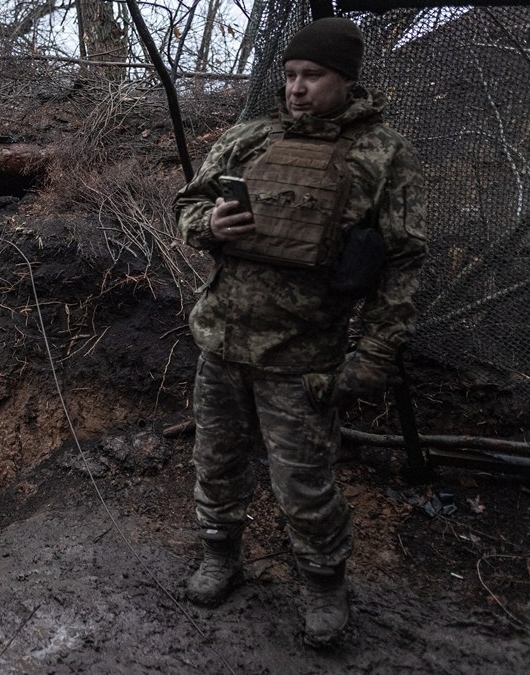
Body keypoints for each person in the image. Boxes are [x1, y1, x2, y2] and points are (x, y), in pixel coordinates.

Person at [174, 17, 427, 647]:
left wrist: (373, 352)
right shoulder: (248, 138)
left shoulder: (383, 154)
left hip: (305, 356)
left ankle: (322, 584)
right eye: (289, 76)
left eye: (312, 76)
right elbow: (187, 205)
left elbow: (402, 262)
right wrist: (211, 225)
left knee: (305, 482)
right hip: (222, 341)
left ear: (346, 79)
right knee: (216, 462)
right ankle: (220, 555)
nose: (296, 88)